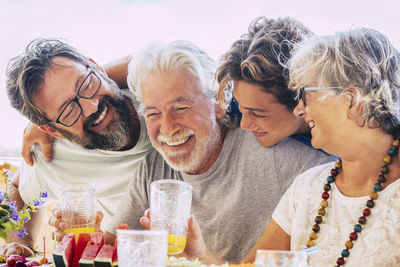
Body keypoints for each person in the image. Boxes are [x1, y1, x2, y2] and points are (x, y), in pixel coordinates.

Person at [103, 40, 334, 262]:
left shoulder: (283, 157)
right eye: (153, 113)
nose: (168, 128)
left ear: (220, 103)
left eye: (181, 108)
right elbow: (108, 250)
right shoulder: (154, 168)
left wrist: (202, 259)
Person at [189, 28, 400, 266]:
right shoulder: (308, 187)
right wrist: (199, 256)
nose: (299, 110)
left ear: (351, 101)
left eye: (305, 95)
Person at [4, 39, 153, 256]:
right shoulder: (57, 154)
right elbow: (17, 189)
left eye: (86, 84)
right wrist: (22, 243)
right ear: (52, 130)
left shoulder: (155, 95)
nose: (91, 107)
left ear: (98, 68)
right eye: (67, 111)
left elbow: (161, 59)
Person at [215, 16, 312, 148]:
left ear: (303, 103)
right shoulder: (242, 103)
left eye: (258, 115)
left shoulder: (337, 144)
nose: (244, 125)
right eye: (240, 106)